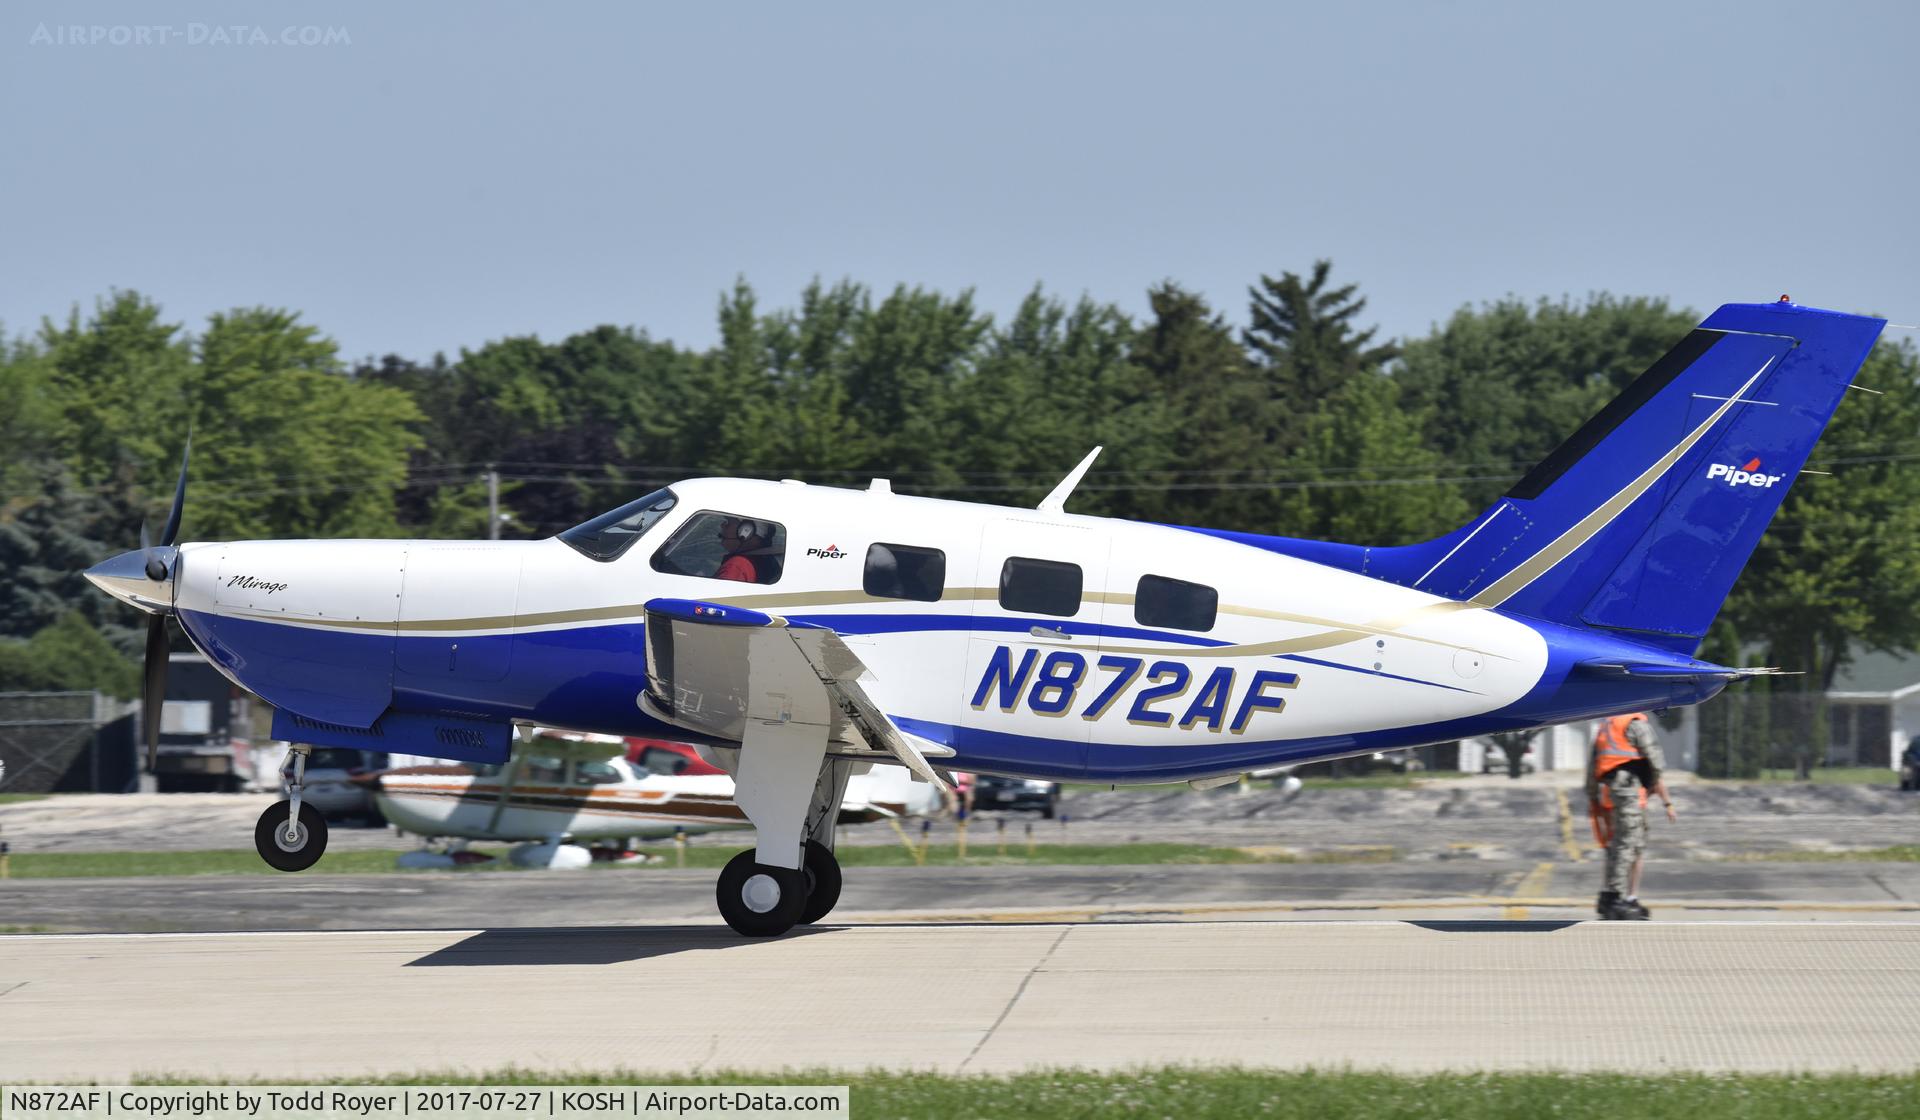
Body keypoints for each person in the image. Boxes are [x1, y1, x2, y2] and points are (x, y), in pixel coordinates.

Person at [1586, 711, 1676, 920]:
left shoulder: (1605, 726)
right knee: (1626, 843)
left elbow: (1593, 766)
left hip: (1612, 789)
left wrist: (1592, 797)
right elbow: (1655, 758)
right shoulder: (1635, 723)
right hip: (1629, 789)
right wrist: (1653, 783)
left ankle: (1616, 897)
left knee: (1627, 844)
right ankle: (1615, 897)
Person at [714, 517, 762, 583]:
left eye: (728, 523)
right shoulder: (765, 561)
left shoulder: (735, 567)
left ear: (746, 532)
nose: (722, 525)